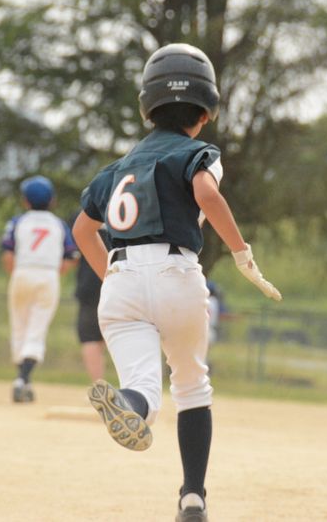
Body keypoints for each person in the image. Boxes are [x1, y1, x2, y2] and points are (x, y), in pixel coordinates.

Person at [72, 43, 281, 522]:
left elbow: (83, 230)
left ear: (147, 110)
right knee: (191, 385)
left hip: (121, 276)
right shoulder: (197, 152)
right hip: (176, 273)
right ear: (206, 114)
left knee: (142, 386)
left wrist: (112, 276)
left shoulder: (115, 170)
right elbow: (206, 192)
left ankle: (130, 404)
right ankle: (192, 498)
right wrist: (242, 253)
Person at [1, 175, 78, 403]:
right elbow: (72, 256)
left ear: (25, 201)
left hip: (22, 272)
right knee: (37, 328)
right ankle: (23, 379)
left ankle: (23, 378)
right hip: (48, 275)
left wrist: (16, 274)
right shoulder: (59, 224)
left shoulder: (18, 222)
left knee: (19, 326)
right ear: (52, 201)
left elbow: (7, 254)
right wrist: (56, 272)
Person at [71, 215, 111, 382]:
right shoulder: (132, 204)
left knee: (90, 335)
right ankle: (135, 386)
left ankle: (99, 383)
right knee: (126, 330)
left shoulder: (88, 208)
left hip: (90, 282)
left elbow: (72, 254)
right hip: (123, 278)